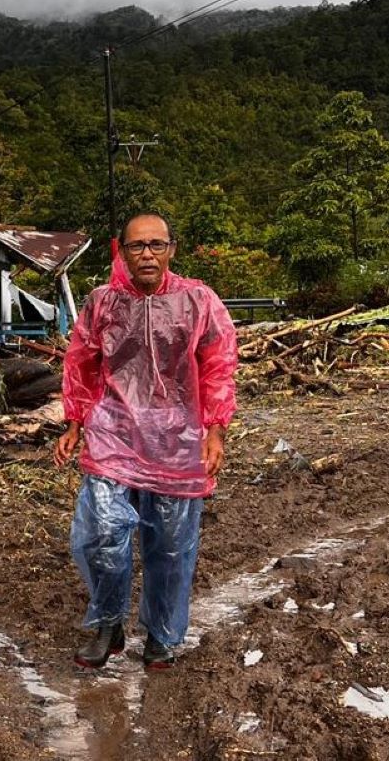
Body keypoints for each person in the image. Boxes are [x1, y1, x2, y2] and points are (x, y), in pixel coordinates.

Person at [53, 213, 238, 670]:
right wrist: (75, 421)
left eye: (156, 244)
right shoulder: (102, 303)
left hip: (177, 436)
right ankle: (108, 622)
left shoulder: (198, 300)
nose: (147, 254)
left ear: (172, 249)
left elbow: (218, 364)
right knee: (101, 533)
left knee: (171, 543)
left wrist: (215, 430)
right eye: (137, 246)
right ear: (123, 251)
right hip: (113, 431)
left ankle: (161, 633)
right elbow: (82, 362)